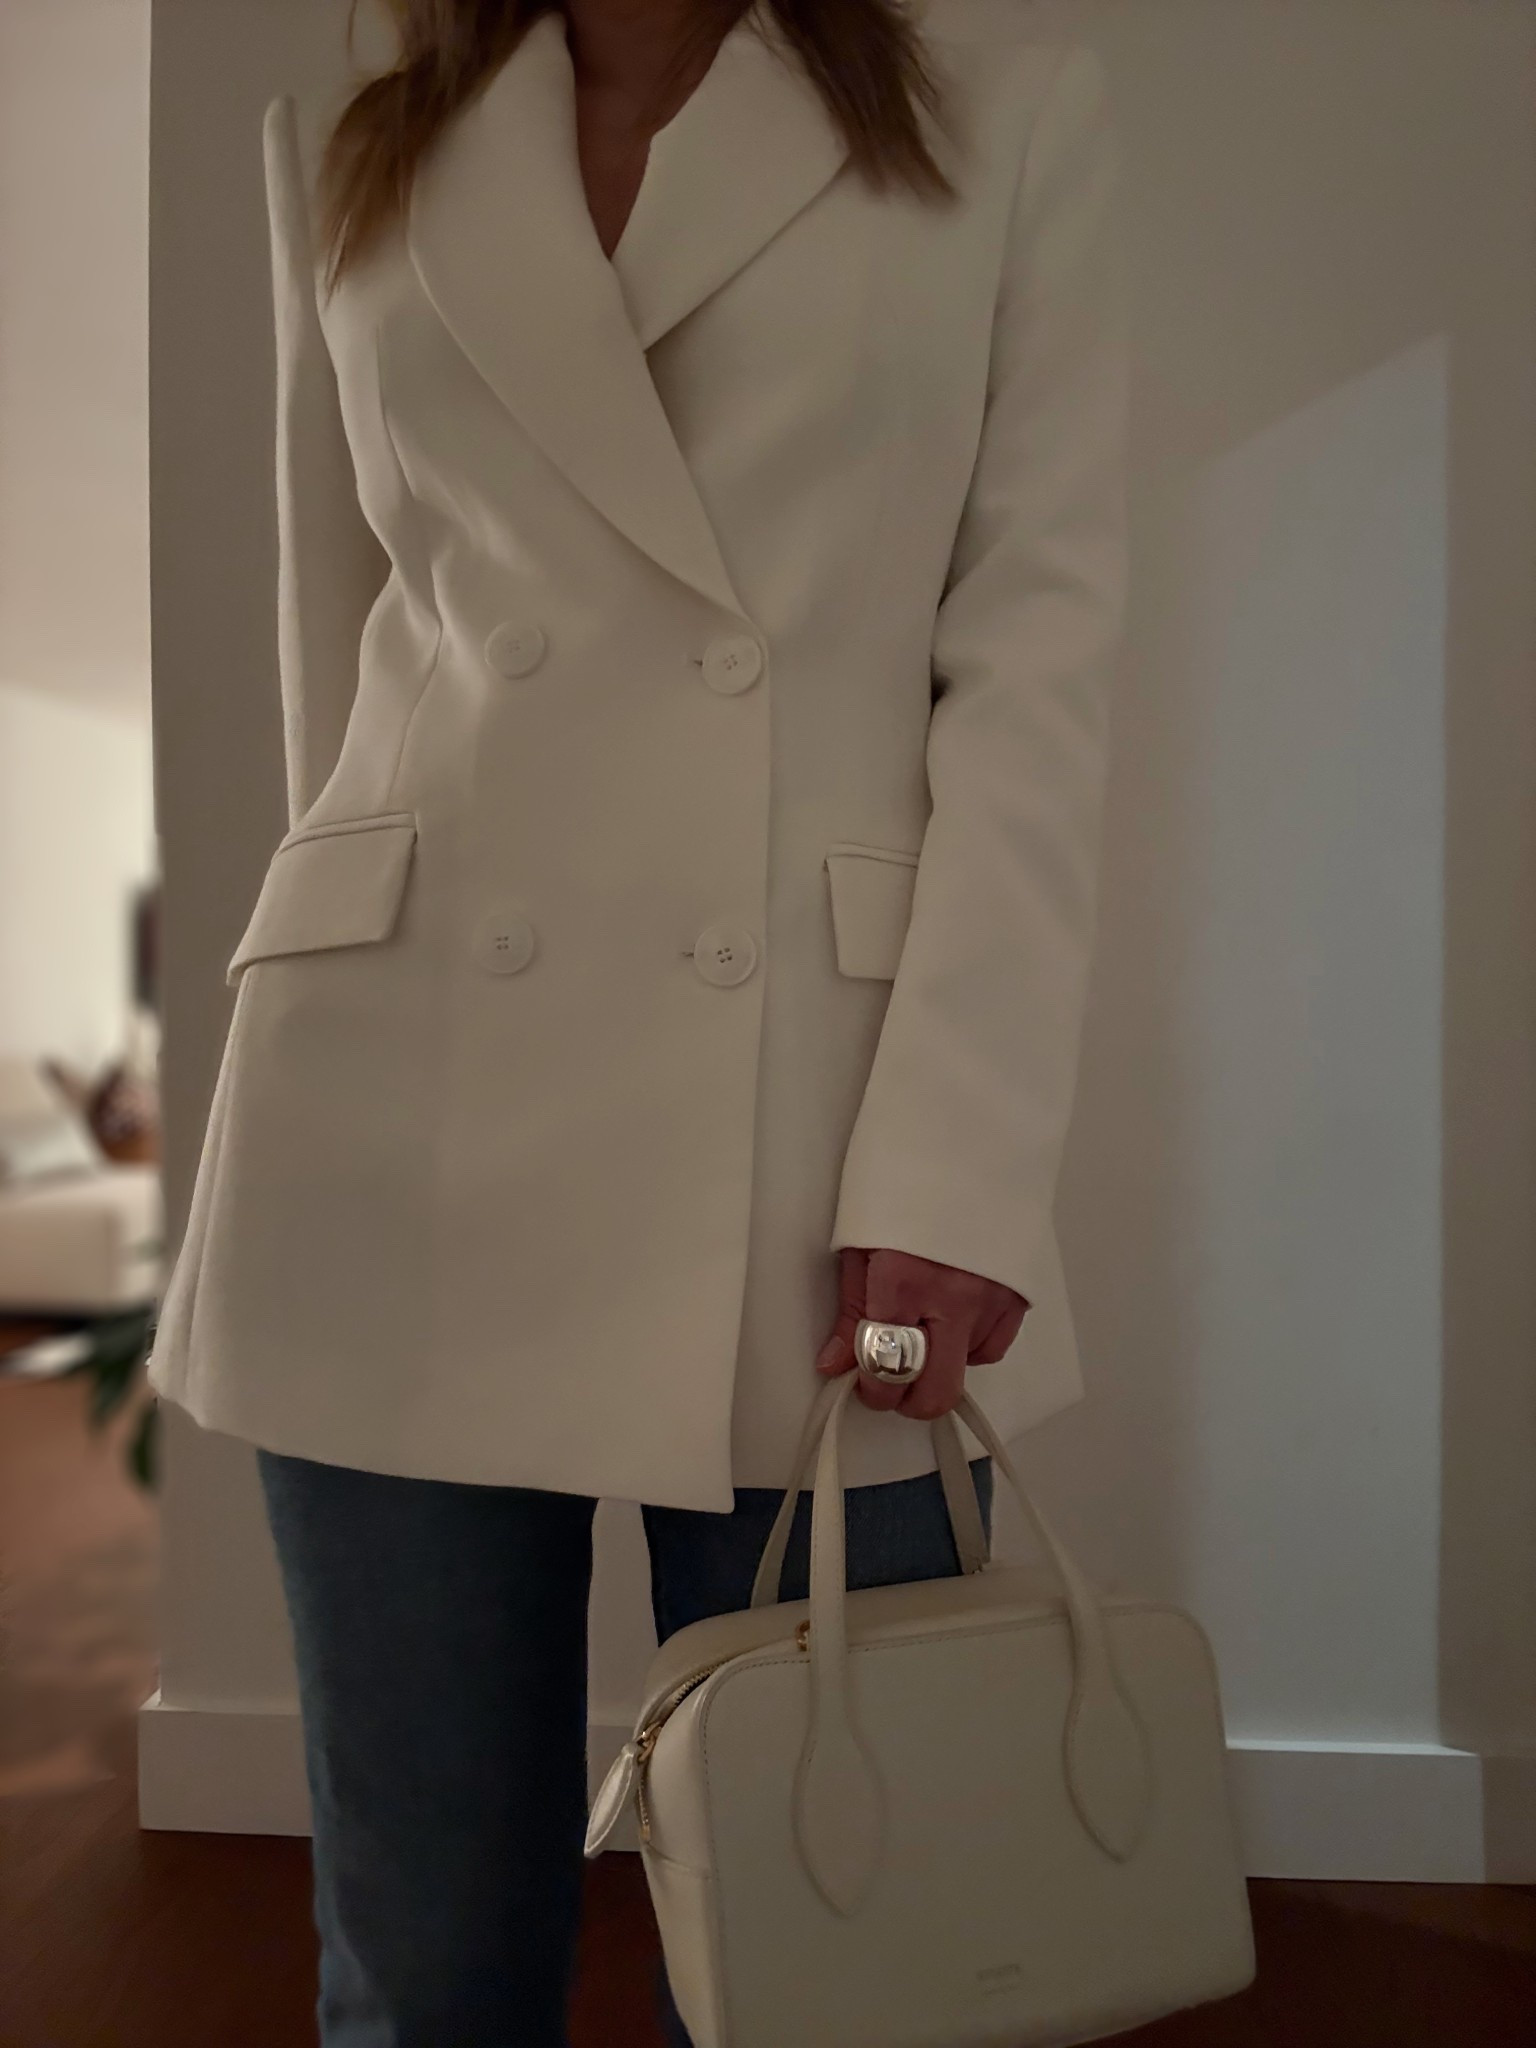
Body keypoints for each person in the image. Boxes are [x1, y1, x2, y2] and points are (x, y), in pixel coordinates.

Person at [148, 0, 1128, 2038]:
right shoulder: (358, 114)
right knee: (422, 1967)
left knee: (824, 1950)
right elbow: (345, 650)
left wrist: (960, 1155)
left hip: (824, 1142)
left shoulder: (999, 106)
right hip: (396, 1113)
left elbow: (1041, 663)